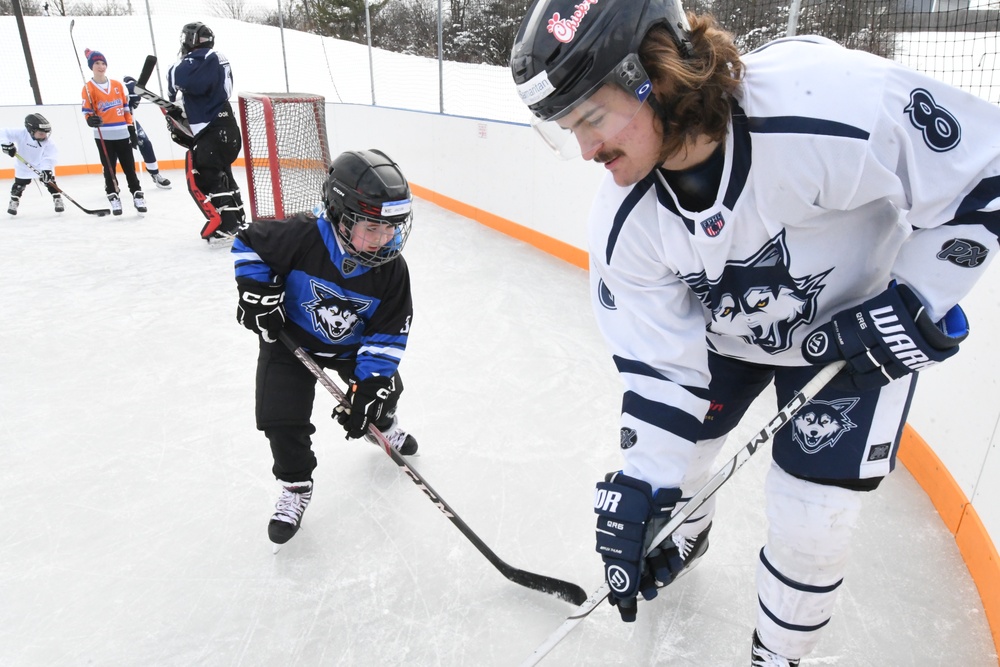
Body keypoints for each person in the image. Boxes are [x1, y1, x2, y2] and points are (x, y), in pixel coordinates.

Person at [510, 1, 999, 664]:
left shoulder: (825, 105)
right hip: (725, 339)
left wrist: (915, 298)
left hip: (852, 339)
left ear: (653, 71)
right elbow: (660, 371)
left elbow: (984, 166)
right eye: (569, 128)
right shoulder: (625, 223)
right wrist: (642, 484)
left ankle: (779, 655)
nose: (587, 150)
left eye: (591, 118)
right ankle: (688, 531)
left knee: (812, 524)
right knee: (679, 468)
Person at [232, 149, 418, 549]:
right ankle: (296, 486)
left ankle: (384, 427)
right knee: (279, 418)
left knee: (385, 393)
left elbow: (386, 336)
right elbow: (250, 244)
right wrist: (256, 293)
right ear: (339, 213)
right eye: (372, 227)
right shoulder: (302, 235)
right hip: (291, 340)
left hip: (352, 350)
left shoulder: (391, 271)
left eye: (392, 228)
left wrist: (368, 391)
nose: (384, 239)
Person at [166, 22, 246, 243]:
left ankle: (227, 225)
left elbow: (179, 77)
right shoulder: (218, 58)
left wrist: (172, 87)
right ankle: (239, 218)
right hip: (228, 128)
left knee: (205, 177)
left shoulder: (203, 57)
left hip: (214, 132)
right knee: (223, 175)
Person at [80, 48, 145, 216]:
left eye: (103, 63)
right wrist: (90, 120)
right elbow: (87, 111)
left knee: (129, 167)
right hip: (104, 136)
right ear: (91, 66)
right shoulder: (88, 88)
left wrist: (131, 130)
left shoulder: (116, 85)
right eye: (97, 63)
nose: (101, 66)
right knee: (109, 168)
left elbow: (125, 109)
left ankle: (137, 194)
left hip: (122, 133)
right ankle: (113, 194)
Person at [1, 113, 62, 216]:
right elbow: (2, 133)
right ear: (31, 130)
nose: (44, 136)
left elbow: (49, 157)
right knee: (19, 185)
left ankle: (57, 199)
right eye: (41, 133)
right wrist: (6, 144)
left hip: (41, 165)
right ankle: (14, 201)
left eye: (46, 133)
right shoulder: (22, 134)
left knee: (50, 182)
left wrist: (46, 169)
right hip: (23, 166)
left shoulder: (48, 142)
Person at [123, 75, 173, 190]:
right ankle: (110, 181)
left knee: (145, 142)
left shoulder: (134, 89)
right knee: (114, 151)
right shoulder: (120, 87)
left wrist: (134, 99)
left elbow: (135, 98)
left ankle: (155, 174)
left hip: (129, 119)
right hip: (113, 123)